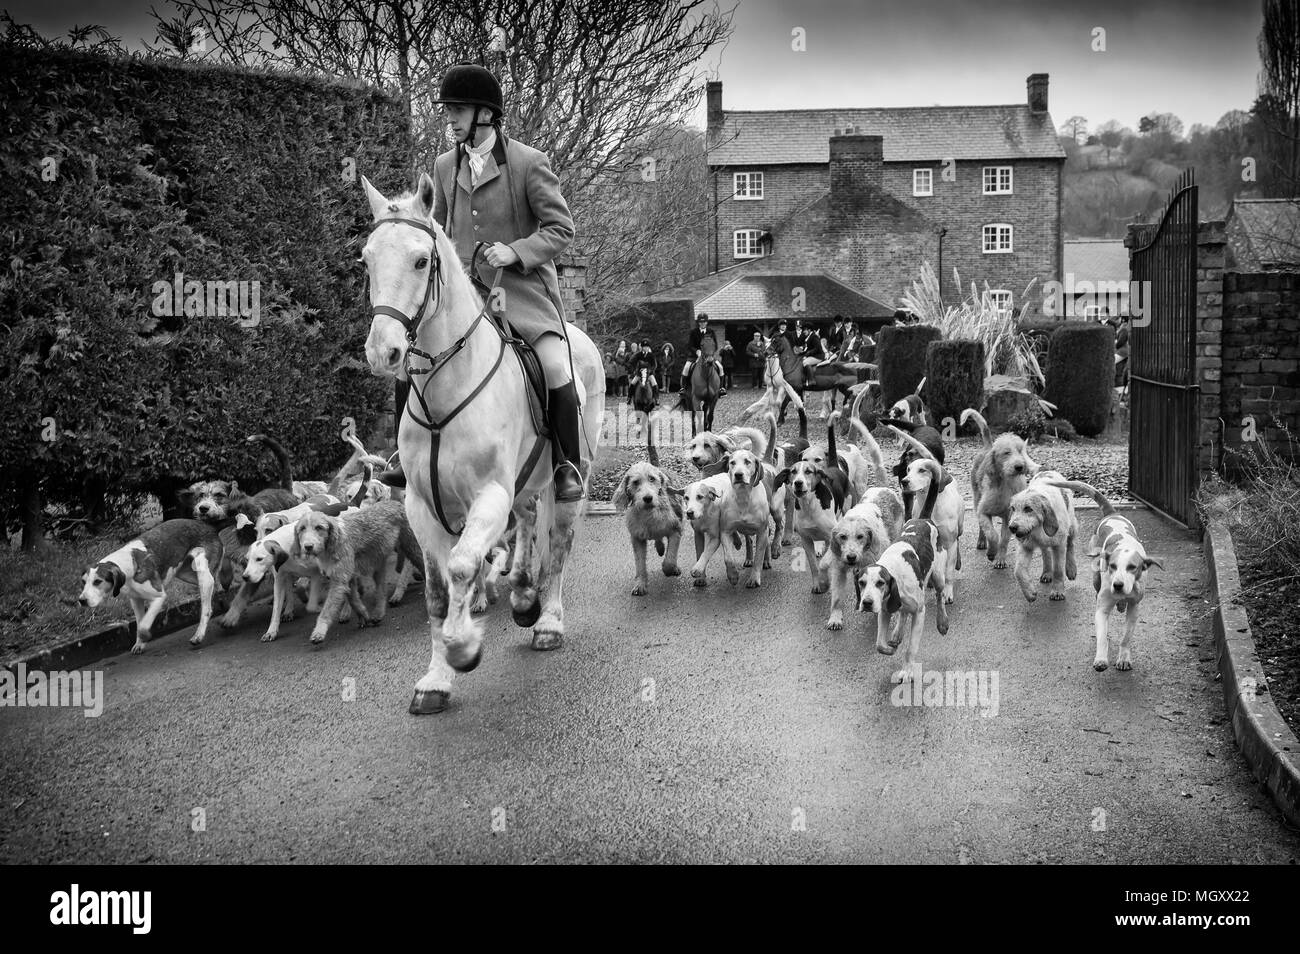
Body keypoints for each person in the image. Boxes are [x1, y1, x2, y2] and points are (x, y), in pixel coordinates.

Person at [378, 63, 586, 501]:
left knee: (554, 366)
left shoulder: (530, 163)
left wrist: (516, 251)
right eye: (449, 110)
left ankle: (567, 463)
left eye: (458, 110)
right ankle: (402, 455)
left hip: (524, 297)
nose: (450, 118)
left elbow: (562, 228)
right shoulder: (442, 165)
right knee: (409, 364)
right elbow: (442, 234)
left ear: (485, 114)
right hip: (465, 297)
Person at [679, 313, 727, 396]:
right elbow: (690, 345)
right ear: (698, 323)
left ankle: (721, 388)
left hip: (709, 356)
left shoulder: (711, 332)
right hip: (695, 356)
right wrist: (697, 351)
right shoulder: (693, 332)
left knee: (720, 367)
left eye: (704, 322)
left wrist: (710, 353)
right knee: (686, 368)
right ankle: (683, 388)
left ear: (707, 322)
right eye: (701, 322)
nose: (702, 324)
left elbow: (715, 345)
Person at [628, 339, 659, 405]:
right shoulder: (638, 355)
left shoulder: (651, 355)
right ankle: (629, 398)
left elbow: (655, 365)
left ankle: (656, 399)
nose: (646, 348)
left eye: (647, 347)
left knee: (654, 384)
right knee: (632, 383)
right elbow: (631, 362)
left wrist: (650, 370)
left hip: (649, 374)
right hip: (639, 374)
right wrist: (635, 370)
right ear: (642, 347)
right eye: (644, 347)